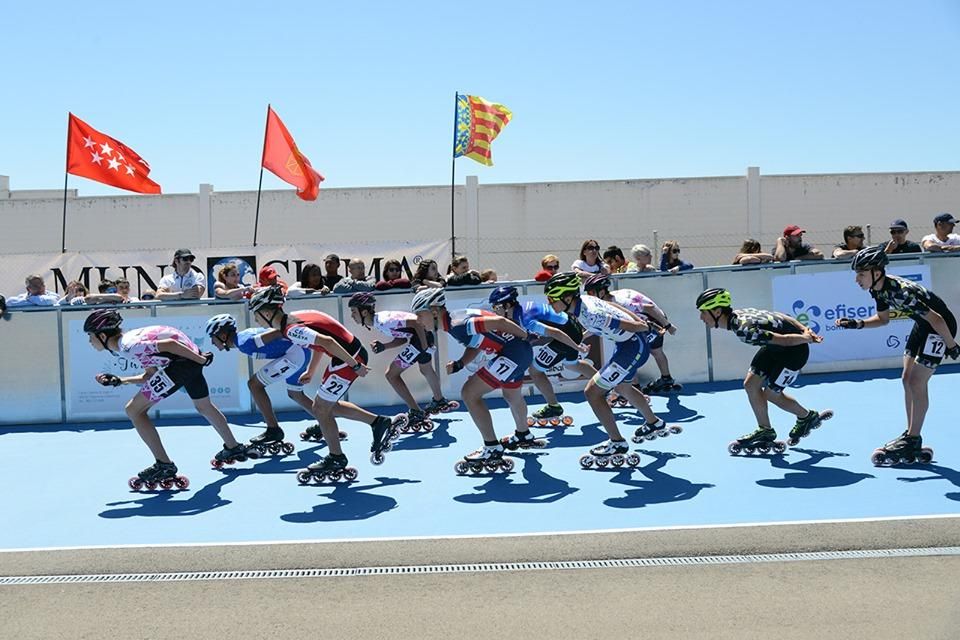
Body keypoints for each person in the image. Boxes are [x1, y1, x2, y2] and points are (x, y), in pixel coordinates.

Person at [83, 309, 255, 490]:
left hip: (184, 363)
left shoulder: (129, 346)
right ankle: (233, 446)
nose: (90, 341)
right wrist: (121, 380)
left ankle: (164, 464)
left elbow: (170, 344)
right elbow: (150, 375)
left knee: (133, 410)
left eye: (90, 336)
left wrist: (200, 360)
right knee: (204, 406)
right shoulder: (128, 342)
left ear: (102, 335)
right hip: (187, 361)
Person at [247, 285, 403, 481]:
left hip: (349, 358)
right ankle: (379, 423)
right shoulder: (294, 318)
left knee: (321, 408)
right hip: (346, 355)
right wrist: (311, 370)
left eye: (257, 314)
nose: (256, 319)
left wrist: (355, 366)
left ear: (268, 312)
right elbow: (321, 341)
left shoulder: (292, 329)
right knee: (327, 406)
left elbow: (327, 342)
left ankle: (336, 457)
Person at [835, 246, 959, 465]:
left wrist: (951, 345)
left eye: (861, 274)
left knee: (917, 381)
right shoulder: (878, 289)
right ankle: (911, 434)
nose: (857, 280)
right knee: (906, 378)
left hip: (940, 327)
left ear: (877, 272)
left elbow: (938, 319)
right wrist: (857, 323)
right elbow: (883, 320)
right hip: (923, 325)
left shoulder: (900, 291)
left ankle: (913, 438)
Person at [544, 272, 676, 469]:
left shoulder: (589, 313)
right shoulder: (586, 300)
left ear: (568, 297)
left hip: (631, 347)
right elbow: (614, 307)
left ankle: (617, 442)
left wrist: (641, 326)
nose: (550, 303)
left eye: (552, 299)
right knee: (623, 389)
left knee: (592, 392)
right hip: (626, 345)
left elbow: (621, 323)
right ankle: (653, 423)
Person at [411, 288, 541, 474]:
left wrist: (525, 335)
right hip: (518, 353)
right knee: (511, 395)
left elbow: (500, 321)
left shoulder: (457, 324)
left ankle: (491, 448)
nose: (418, 321)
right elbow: (477, 344)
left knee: (470, 393)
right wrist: (460, 364)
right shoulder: (453, 321)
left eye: (419, 315)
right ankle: (523, 434)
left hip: (513, 353)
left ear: (433, 311)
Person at [696, 288, 832, 455]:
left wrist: (806, 337)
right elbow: (782, 316)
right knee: (751, 385)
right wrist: (805, 329)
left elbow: (785, 340)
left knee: (771, 394)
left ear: (717, 311)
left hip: (794, 352)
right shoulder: (738, 314)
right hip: (776, 348)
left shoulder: (744, 330)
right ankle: (765, 430)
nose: (701, 318)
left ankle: (806, 417)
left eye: (703, 312)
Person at [206, 313, 326, 453]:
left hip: (295, 355)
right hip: (298, 352)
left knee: (254, 385)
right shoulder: (242, 339)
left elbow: (279, 332)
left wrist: (297, 326)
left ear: (223, 335)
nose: (212, 342)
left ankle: (273, 429)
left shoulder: (245, 343)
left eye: (212, 337)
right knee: (295, 394)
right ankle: (325, 421)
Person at [348, 292, 456, 431]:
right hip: (421, 338)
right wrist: (384, 346)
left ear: (364, 312)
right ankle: (439, 400)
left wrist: (423, 346)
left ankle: (416, 411)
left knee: (391, 374)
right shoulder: (380, 321)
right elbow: (403, 338)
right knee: (426, 369)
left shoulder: (384, 321)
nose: (352, 316)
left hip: (420, 339)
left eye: (353, 312)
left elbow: (416, 323)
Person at [487, 286, 592, 426]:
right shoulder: (519, 310)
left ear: (507, 305)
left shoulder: (524, 319)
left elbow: (555, 333)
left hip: (567, 334)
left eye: (496, 306)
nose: (494, 310)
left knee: (535, 371)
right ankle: (607, 384)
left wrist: (576, 346)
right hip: (572, 327)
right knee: (572, 364)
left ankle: (553, 406)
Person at [582, 274, 680, 394]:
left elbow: (649, 308)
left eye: (591, 293)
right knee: (652, 351)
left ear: (601, 292)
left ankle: (637, 387)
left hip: (654, 320)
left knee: (634, 353)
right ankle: (665, 378)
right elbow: (598, 324)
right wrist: (581, 338)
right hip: (646, 321)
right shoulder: (604, 302)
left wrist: (668, 325)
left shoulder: (619, 302)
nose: (589, 296)